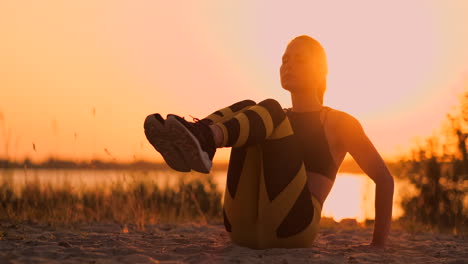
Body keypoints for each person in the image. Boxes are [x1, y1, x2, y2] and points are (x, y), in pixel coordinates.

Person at [144, 35, 394, 249]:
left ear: (320, 70)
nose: (288, 65)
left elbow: (384, 179)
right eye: (285, 60)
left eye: (299, 60)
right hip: (242, 230)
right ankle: (199, 135)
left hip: (295, 229)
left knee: (267, 111)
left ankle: (206, 138)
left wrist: (378, 244)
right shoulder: (267, 120)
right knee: (247, 109)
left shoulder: (337, 122)